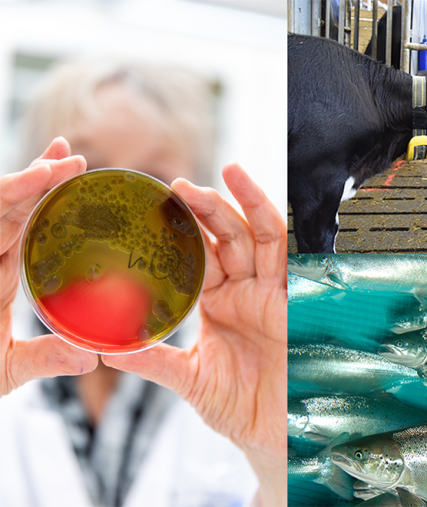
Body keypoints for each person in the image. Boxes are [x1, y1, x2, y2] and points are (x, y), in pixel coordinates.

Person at [0, 60, 287, 507]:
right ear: (30, 193)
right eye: (88, 174)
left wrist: (275, 466)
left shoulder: (238, 384)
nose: (118, 213)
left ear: (188, 212)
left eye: (149, 183)